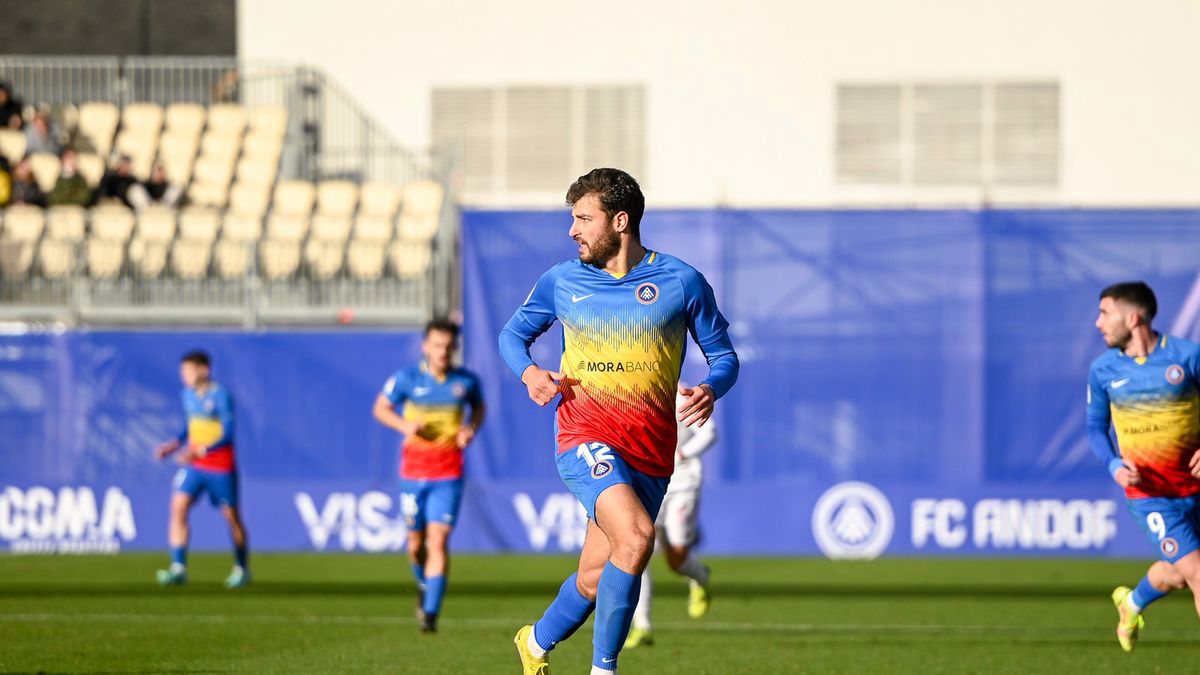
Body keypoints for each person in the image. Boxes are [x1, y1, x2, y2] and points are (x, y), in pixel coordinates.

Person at [501, 168, 738, 674]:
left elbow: (724, 356)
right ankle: (604, 670)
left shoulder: (680, 281)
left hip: (651, 453)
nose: (573, 230)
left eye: (584, 218)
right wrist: (528, 374)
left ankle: (535, 643)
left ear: (621, 220)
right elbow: (510, 337)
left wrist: (710, 387)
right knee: (635, 540)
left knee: (593, 577)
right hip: (584, 436)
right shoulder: (562, 280)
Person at [1087, 281, 1200, 652]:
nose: (1097, 322)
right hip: (1151, 495)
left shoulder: (1186, 357)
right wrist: (1114, 464)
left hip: (1195, 487)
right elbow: (1094, 428)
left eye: (1105, 313)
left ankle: (1131, 603)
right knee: (1198, 574)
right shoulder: (1103, 370)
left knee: (1179, 576)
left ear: (1133, 317)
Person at [373, 319, 485, 633]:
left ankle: (431, 613)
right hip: (413, 472)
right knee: (415, 544)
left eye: (449, 347)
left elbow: (479, 409)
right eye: (437, 345)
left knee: (439, 541)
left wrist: (470, 430)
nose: (443, 352)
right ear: (425, 346)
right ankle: (424, 583)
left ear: (455, 348)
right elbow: (380, 408)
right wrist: (403, 425)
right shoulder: (406, 379)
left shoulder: (466, 382)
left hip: (448, 472)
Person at [624, 388, 717, 648]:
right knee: (638, 551)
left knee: (676, 558)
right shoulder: (632, 392)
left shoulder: (684, 395)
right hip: (647, 481)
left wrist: (683, 454)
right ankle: (642, 625)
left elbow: (710, 432)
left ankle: (701, 578)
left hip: (682, 483)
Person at [154, 350, 250, 589]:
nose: (184, 375)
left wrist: (200, 450)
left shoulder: (221, 396)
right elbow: (189, 427)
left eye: (188, 370)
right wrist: (174, 444)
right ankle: (178, 568)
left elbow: (227, 434)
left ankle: (241, 568)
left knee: (232, 518)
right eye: (182, 370)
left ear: (204, 370)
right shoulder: (187, 395)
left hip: (220, 466)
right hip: (195, 465)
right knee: (178, 507)